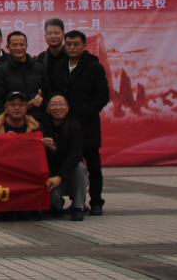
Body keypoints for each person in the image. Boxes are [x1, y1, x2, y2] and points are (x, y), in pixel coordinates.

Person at [48, 30, 110, 216]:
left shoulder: (93, 67)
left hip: (87, 125)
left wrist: (84, 112)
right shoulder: (58, 67)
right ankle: (77, 201)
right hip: (64, 126)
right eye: (69, 44)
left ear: (84, 46)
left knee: (93, 166)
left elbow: (102, 96)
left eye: (76, 44)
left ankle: (96, 201)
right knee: (72, 163)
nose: (72, 48)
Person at [42, 94, 88, 221]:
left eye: (61, 104)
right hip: (53, 174)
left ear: (67, 108)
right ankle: (57, 205)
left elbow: (75, 154)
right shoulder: (43, 125)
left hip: (68, 173)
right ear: (48, 109)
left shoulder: (75, 126)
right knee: (53, 202)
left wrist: (60, 176)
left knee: (80, 168)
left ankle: (78, 207)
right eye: (54, 104)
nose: (58, 108)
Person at [0, 31, 46, 118]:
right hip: (13, 121)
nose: (19, 48)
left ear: (26, 46)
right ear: (8, 47)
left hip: (38, 119)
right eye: (15, 45)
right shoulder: (1, 70)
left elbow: (47, 94)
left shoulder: (40, 68)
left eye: (22, 45)